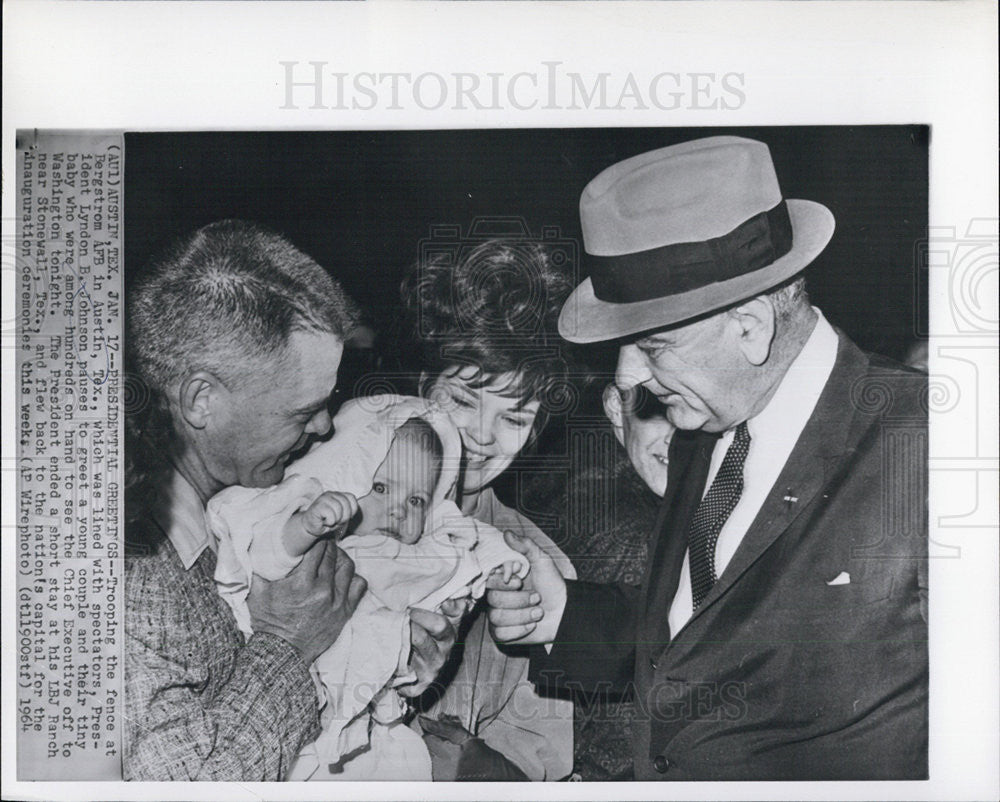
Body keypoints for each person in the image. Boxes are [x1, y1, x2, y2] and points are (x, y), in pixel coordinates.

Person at [485, 136, 928, 780]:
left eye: (654, 346)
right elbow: (713, 631)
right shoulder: (704, 424)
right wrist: (569, 616)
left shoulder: (930, 442)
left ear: (749, 327)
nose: (631, 376)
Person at [123, 220, 460, 781]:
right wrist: (286, 646)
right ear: (202, 401)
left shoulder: (260, 493)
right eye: (302, 411)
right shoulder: (129, 573)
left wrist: (400, 647)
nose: (326, 427)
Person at [205, 395, 526, 781]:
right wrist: (305, 526)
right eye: (379, 488)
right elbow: (268, 553)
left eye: (416, 499)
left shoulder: (414, 553)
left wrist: (494, 570)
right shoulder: (327, 538)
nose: (399, 510)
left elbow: (466, 549)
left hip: (367, 725)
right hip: (296, 707)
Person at [398, 238, 578, 781]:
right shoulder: (338, 507)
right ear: (424, 388)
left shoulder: (542, 568)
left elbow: (536, 756)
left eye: (514, 419)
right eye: (462, 401)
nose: (482, 437)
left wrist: (466, 764)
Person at [519, 381, 672, 779]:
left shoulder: (577, 471)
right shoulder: (639, 535)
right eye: (656, 408)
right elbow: (613, 742)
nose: (677, 431)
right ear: (614, 406)